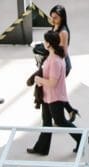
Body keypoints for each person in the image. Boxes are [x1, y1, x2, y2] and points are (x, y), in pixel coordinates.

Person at [27, 26, 79, 155]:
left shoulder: (55, 61)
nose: (43, 43)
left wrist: (39, 79)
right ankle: (41, 148)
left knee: (61, 121)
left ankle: (83, 138)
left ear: (49, 43)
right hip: (48, 96)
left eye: (45, 41)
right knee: (46, 122)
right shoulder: (52, 57)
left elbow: (52, 82)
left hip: (55, 97)